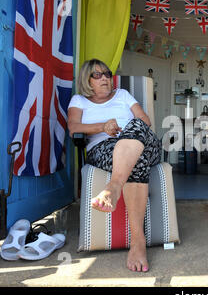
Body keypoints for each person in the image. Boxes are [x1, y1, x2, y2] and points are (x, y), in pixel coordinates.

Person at [67, 59, 161, 272]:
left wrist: (126, 132)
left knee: (137, 126)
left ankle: (114, 185)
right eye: (97, 75)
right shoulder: (79, 100)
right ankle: (138, 242)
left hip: (143, 143)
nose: (105, 78)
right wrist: (102, 126)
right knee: (138, 162)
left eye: (107, 74)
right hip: (103, 148)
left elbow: (145, 121)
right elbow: (73, 128)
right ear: (87, 80)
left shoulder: (123, 95)